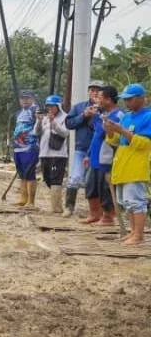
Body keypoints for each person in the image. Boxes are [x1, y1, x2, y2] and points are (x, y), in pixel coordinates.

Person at [104, 83, 151, 245]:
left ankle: (139, 235)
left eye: (130, 99)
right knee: (126, 202)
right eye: (125, 100)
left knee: (136, 202)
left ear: (141, 98)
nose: (127, 103)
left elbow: (145, 144)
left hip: (136, 166)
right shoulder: (126, 117)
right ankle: (132, 232)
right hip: (123, 164)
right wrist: (110, 131)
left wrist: (122, 130)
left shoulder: (148, 117)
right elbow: (118, 141)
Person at [83, 85, 123, 226]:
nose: (97, 100)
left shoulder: (118, 116)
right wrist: (88, 154)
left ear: (108, 99)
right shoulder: (102, 115)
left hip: (107, 159)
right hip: (95, 157)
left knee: (106, 188)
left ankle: (108, 217)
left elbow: (104, 134)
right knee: (91, 187)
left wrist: (95, 117)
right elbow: (96, 135)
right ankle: (94, 214)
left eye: (100, 97)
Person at [62, 80, 102, 217]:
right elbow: (69, 124)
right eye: (92, 90)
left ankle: (100, 211)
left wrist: (98, 114)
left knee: (98, 180)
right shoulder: (79, 107)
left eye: (98, 90)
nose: (95, 92)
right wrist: (83, 116)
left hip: (100, 149)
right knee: (75, 178)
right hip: (82, 148)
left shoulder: (106, 108)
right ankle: (69, 207)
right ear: (88, 92)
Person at [33, 95, 70, 213]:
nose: (50, 109)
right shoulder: (43, 118)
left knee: (56, 180)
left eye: (52, 106)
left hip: (58, 154)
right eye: (48, 106)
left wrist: (53, 122)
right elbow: (36, 132)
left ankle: (56, 208)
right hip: (44, 153)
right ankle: (57, 204)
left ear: (58, 106)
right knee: (47, 179)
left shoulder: (65, 117)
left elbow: (65, 133)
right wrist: (38, 120)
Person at [12, 91, 40, 207]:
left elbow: (40, 125)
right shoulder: (19, 113)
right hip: (18, 147)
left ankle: (31, 202)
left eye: (27, 98)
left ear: (32, 98)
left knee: (30, 173)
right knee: (22, 174)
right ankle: (23, 198)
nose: (24, 100)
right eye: (22, 98)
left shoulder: (35, 110)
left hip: (30, 147)